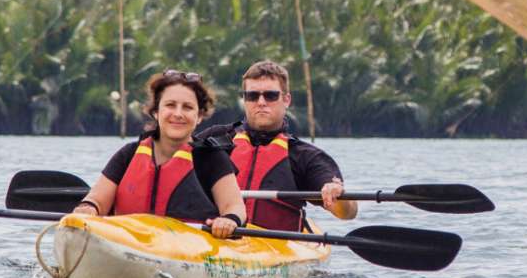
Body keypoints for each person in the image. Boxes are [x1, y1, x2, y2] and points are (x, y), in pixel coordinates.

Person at [71, 69, 246, 240]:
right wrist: (89, 207)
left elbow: (235, 206)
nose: (178, 114)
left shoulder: (211, 158)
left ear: (199, 116)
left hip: (190, 250)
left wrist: (229, 220)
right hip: (129, 243)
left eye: (187, 107)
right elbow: (97, 199)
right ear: (156, 112)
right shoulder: (129, 154)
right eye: (170, 105)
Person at [195, 60, 354, 231]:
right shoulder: (215, 139)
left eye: (270, 95)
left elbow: (348, 213)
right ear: (244, 100)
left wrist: (336, 193)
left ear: (286, 100)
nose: (261, 102)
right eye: (252, 96)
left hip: (274, 246)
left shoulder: (305, 156)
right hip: (214, 236)